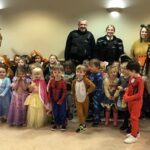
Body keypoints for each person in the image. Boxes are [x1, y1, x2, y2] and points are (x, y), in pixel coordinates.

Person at [123, 61, 144, 144]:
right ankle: (136, 132)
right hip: (131, 102)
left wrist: (128, 98)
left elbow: (139, 95)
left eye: (128, 70)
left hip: (136, 103)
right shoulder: (131, 78)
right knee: (132, 118)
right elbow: (128, 88)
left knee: (134, 118)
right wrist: (126, 94)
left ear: (134, 71)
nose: (127, 72)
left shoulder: (140, 80)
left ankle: (134, 136)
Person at [72, 65, 95, 132]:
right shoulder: (74, 81)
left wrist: (87, 92)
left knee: (85, 113)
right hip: (78, 100)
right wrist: (74, 97)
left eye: (81, 72)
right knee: (80, 113)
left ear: (84, 73)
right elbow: (73, 90)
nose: (79, 73)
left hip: (85, 99)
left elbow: (93, 86)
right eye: (77, 72)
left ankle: (83, 124)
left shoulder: (86, 80)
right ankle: (81, 125)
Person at [48, 64, 67, 131]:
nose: (57, 74)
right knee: (55, 112)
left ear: (62, 73)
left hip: (61, 99)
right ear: (53, 72)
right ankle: (56, 123)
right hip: (54, 99)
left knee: (62, 112)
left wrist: (61, 100)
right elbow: (49, 90)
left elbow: (64, 92)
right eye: (55, 72)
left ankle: (63, 124)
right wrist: (49, 98)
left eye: (59, 72)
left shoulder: (63, 82)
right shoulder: (51, 81)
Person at [87, 59, 103, 126]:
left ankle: (97, 119)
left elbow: (99, 87)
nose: (90, 67)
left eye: (92, 66)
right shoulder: (91, 74)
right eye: (89, 66)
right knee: (91, 105)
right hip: (91, 92)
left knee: (96, 106)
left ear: (97, 67)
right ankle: (91, 116)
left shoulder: (99, 76)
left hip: (97, 93)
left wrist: (96, 94)